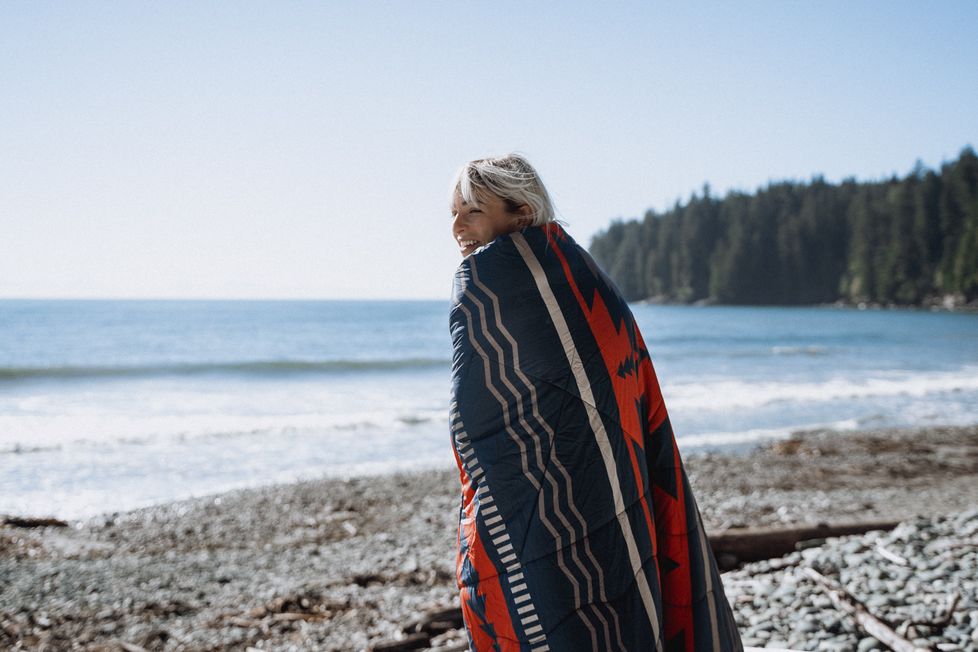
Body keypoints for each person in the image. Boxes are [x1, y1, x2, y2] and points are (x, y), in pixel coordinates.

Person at [448, 154, 742, 651]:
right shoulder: (582, 270)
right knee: (622, 600)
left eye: (473, 211)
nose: (457, 227)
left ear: (519, 212)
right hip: (613, 483)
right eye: (453, 213)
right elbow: (627, 382)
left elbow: (471, 413)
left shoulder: (487, 280)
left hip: (534, 496)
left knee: (545, 607)